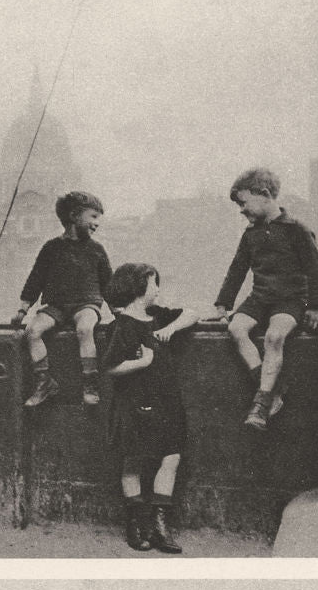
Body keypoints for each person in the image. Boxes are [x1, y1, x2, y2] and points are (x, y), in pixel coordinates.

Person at [214, 167, 318, 431]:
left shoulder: (297, 230)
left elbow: (315, 269)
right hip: (260, 298)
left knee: (275, 337)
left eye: (243, 203)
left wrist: (317, 306)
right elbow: (237, 268)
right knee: (236, 329)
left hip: (290, 300)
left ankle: (261, 405)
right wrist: (223, 303)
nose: (241, 210)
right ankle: (272, 392)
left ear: (264, 194)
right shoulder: (250, 233)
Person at [104, 263, 197, 554]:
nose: (157, 290)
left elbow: (192, 314)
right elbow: (111, 366)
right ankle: (135, 524)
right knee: (132, 461)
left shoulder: (157, 317)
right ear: (138, 289)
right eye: (153, 284)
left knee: (170, 458)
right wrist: (143, 363)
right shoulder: (121, 326)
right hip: (133, 403)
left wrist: (171, 328)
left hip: (166, 401)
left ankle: (159, 527)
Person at [11, 191, 112, 407]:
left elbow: (107, 284)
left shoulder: (96, 250)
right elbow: (35, 279)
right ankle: (44, 381)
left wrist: (117, 310)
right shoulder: (51, 248)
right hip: (57, 305)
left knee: (85, 329)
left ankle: (90, 384)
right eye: (93, 217)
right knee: (33, 331)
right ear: (75, 216)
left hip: (86, 304)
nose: (97, 223)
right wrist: (23, 309)